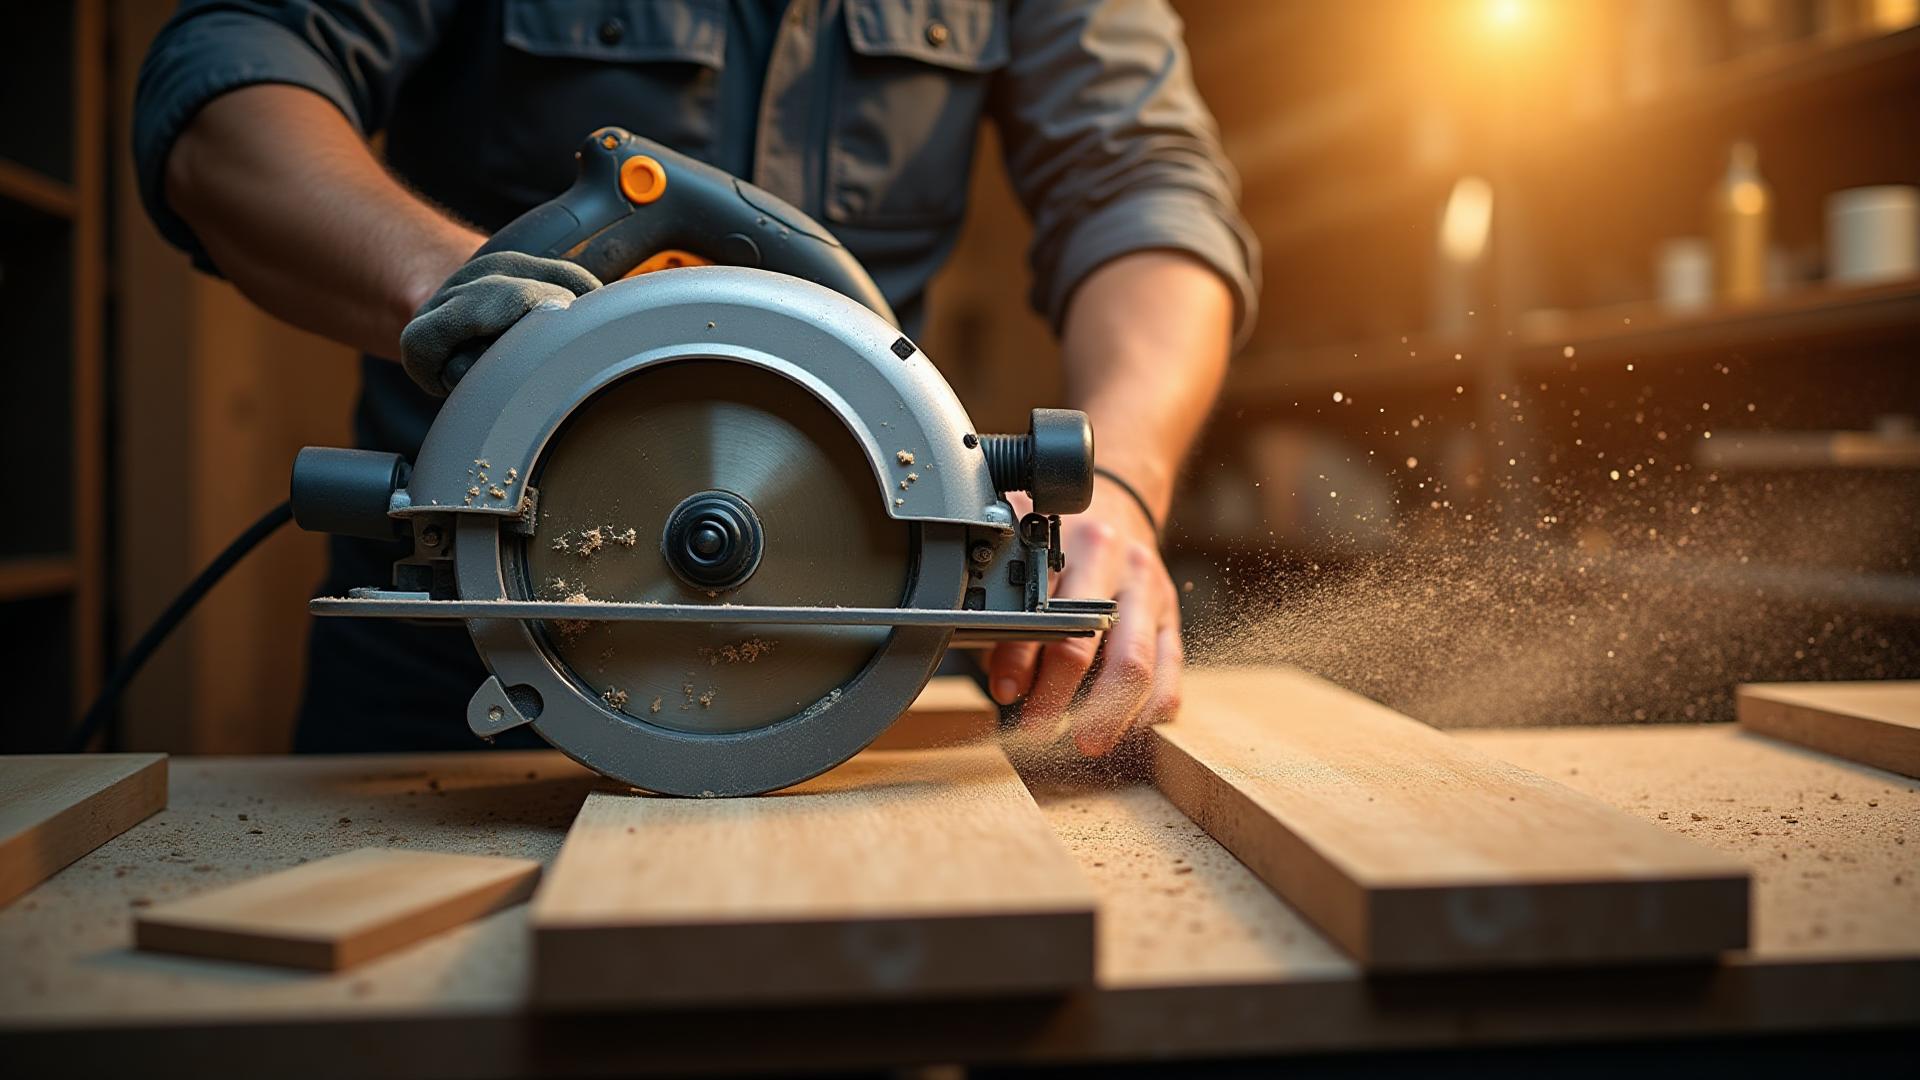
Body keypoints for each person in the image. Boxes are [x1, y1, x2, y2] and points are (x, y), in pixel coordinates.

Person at [135, 0, 1258, 759]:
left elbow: (1143, 185)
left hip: (852, 646)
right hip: (469, 640)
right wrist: (464, 293)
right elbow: (228, 78)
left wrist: (1118, 486)